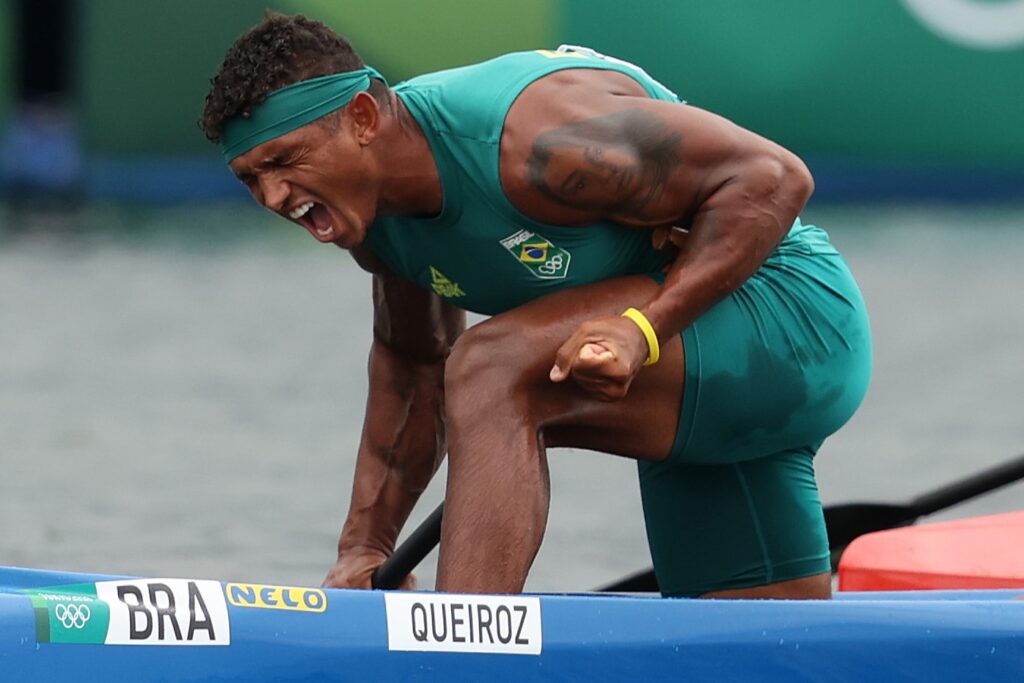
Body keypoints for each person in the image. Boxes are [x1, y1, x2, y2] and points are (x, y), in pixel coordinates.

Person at [200, 13, 871, 599]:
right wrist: (365, 547)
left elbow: (771, 178)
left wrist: (645, 329)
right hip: (703, 402)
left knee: (492, 367)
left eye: (283, 160)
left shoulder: (536, 139)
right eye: (250, 178)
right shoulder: (372, 218)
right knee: (758, 648)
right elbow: (412, 366)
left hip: (788, 318)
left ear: (364, 118)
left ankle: (462, 650)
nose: (273, 196)